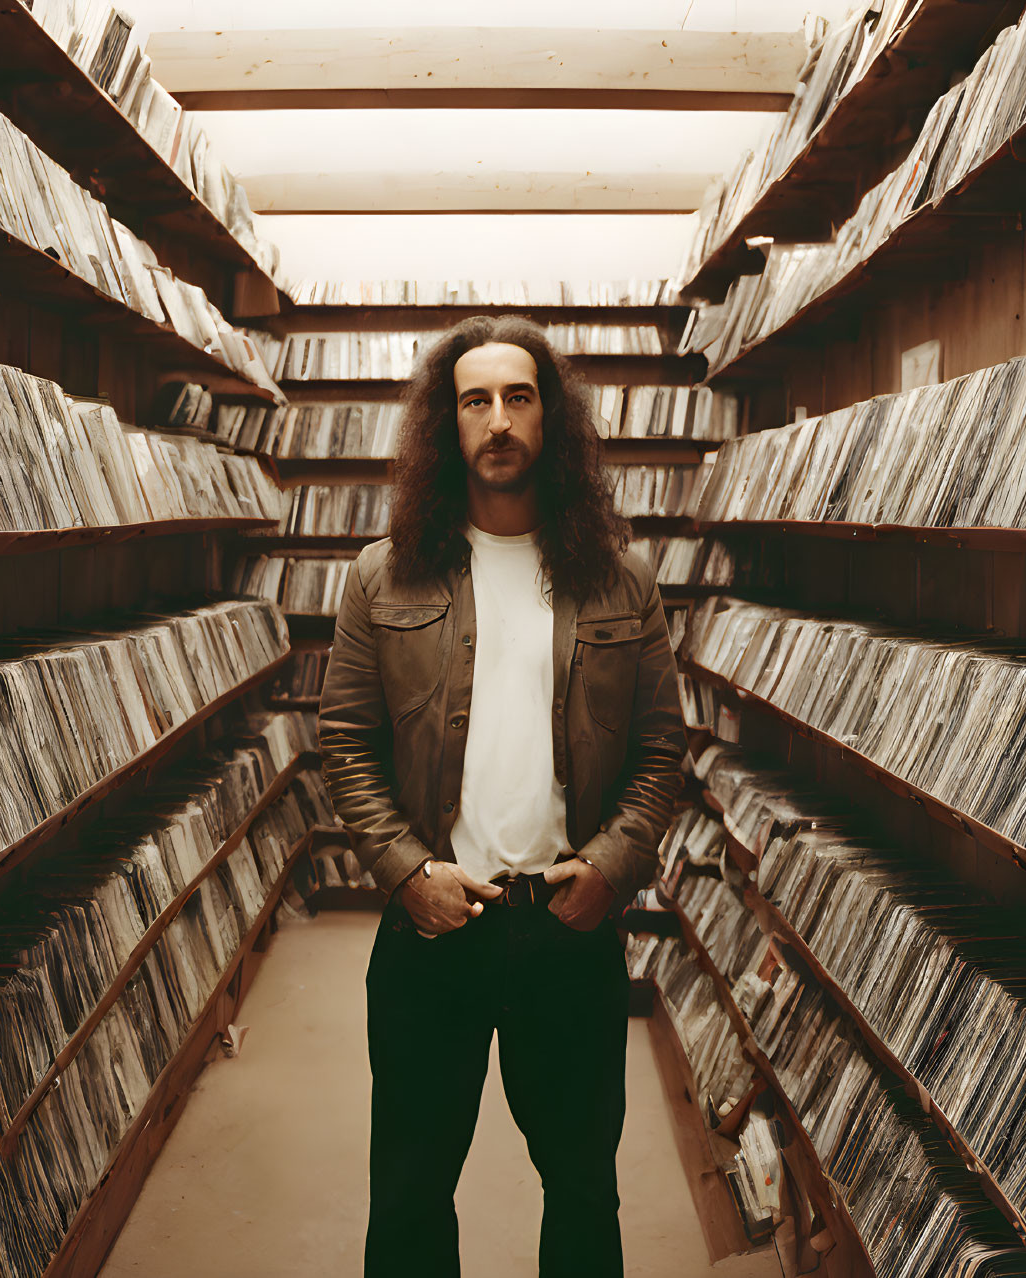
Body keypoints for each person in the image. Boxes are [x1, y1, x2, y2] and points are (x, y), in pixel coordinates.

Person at [317, 316, 687, 1277]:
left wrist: (611, 869)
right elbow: (345, 746)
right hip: (432, 929)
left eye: (518, 396)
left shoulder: (620, 582)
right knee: (406, 1192)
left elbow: (659, 750)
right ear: (447, 424)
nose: (497, 420)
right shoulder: (382, 575)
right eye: (473, 399)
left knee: (580, 1190)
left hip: (566, 931)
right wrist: (406, 876)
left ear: (549, 418)